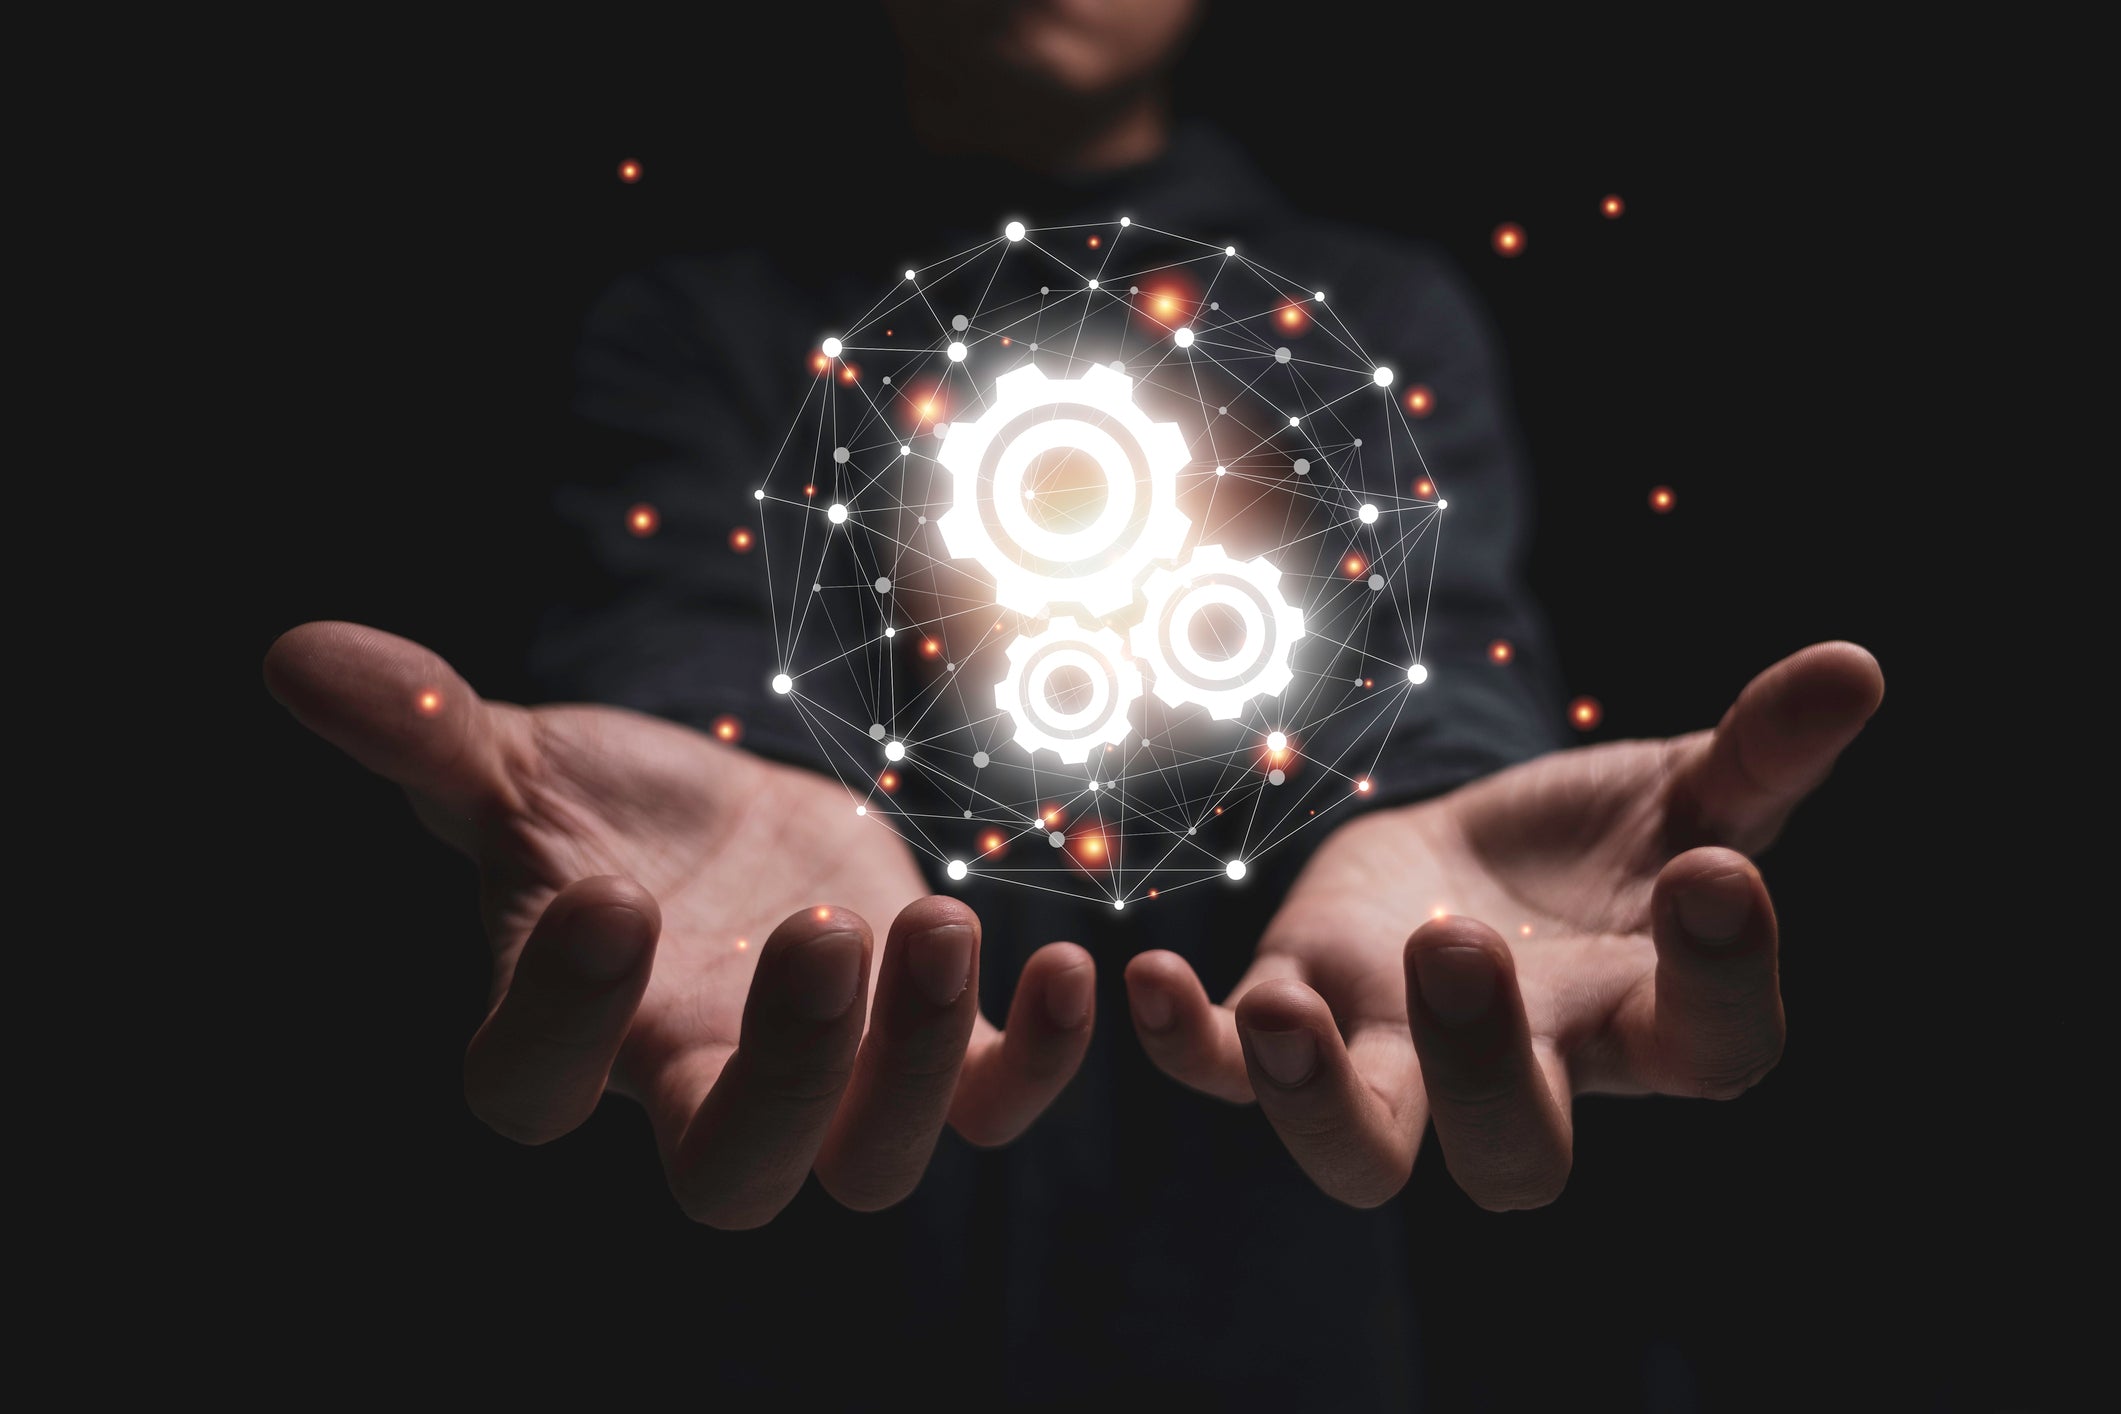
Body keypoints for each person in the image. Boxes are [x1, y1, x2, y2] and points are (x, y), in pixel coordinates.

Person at [264, 1, 1884, 1402]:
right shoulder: (696, 322)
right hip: (799, 1318)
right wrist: (689, 789)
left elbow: (1448, 676)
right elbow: (678, 648)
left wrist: (1426, 825)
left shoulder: (1378, 317)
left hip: (1265, 1311)